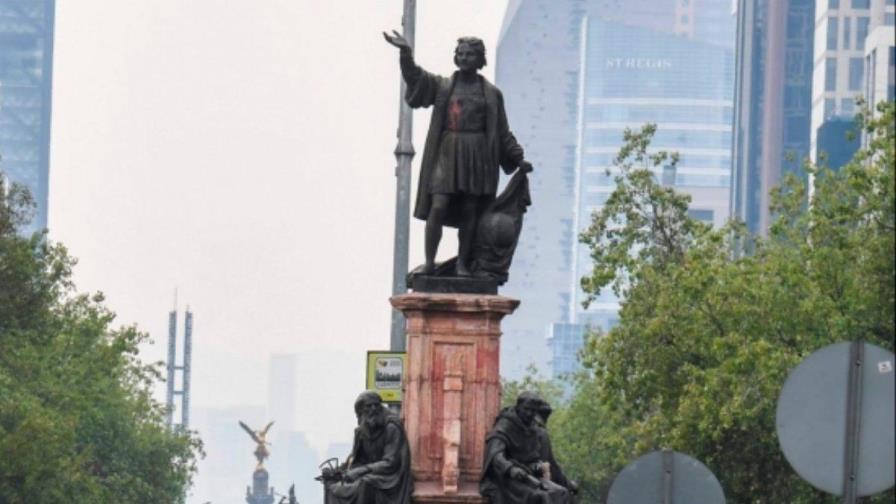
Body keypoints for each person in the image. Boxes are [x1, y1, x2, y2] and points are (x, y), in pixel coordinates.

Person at [383, 31, 533, 276]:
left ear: (480, 59)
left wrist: (518, 158)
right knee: (438, 205)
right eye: (460, 54)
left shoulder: (491, 94)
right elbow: (416, 78)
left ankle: (463, 263)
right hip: (448, 151)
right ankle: (430, 262)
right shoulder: (444, 86)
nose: (464, 58)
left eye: (470, 54)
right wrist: (405, 54)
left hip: (477, 154)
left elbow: (503, 131)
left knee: (470, 210)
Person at [480, 392, 573, 504]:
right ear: (518, 407)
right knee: (542, 496)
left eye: (533, 411)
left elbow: (541, 459)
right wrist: (510, 469)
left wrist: (537, 466)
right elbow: (495, 455)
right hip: (508, 479)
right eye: (527, 409)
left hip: (530, 476)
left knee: (562, 492)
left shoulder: (533, 427)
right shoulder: (505, 425)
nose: (529, 414)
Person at [325, 391, 413, 504]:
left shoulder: (391, 428)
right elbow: (356, 459)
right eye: (369, 406)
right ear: (361, 411)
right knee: (332, 486)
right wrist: (337, 472)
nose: (373, 409)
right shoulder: (361, 432)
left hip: (389, 478)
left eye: (377, 405)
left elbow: (390, 463)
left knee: (365, 483)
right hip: (369, 474)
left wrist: (361, 471)